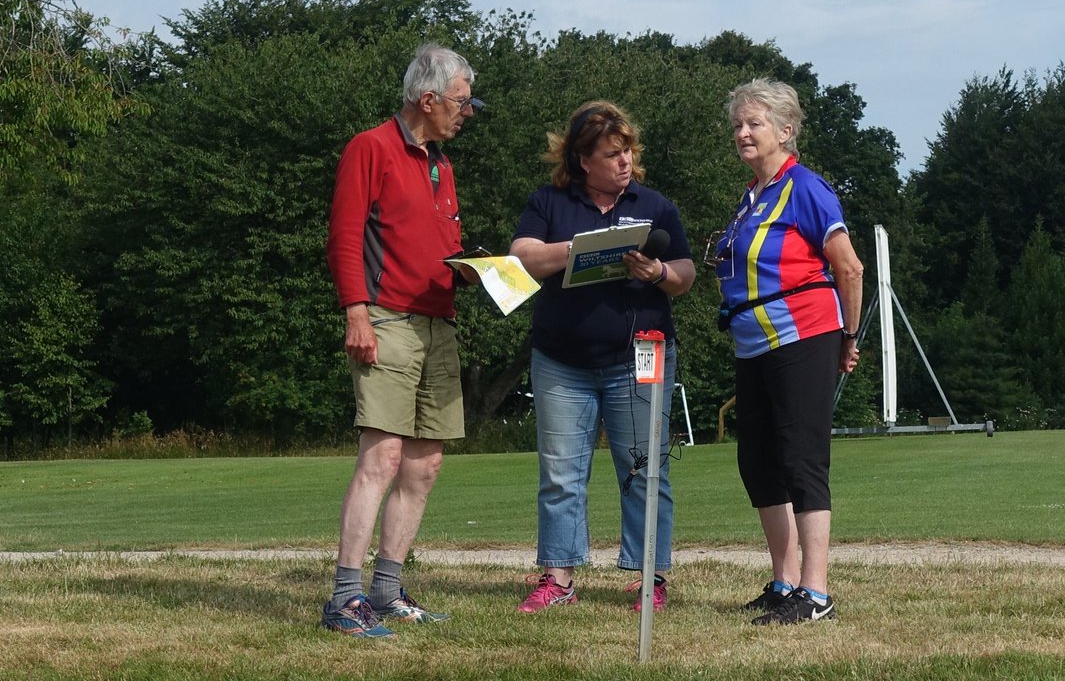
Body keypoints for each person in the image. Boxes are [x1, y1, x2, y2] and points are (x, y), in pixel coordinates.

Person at [508, 101, 696, 613]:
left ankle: (650, 580)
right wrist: (585, 248)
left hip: (642, 355)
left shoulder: (654, 204)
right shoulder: (550, 201)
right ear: (582, 159)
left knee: (644, 468)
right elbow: (522, 256)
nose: (624, 162)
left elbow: (685, 273)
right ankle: (558, 578)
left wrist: (657, 274)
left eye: (628, 151)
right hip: (562, 360)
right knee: (561, 472)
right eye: (612, 154)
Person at [321, 42, 482, 638]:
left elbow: (431, 246)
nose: (467, 113)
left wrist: (474, 270)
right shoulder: (371, 147)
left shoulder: (443, 164)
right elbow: (344, 237)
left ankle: (386, 590)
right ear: (428, 98)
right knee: (382, 455)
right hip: (386, 317)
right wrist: (356, 315)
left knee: (425, 463)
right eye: (463, 102)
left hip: (439, 319)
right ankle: (345, 597)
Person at [710, 78, 863, 626]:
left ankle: (816, 592)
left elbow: (848, 267)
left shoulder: (806, 187)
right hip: (754, 346)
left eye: (754, 123)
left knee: (801, 459)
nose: (743, 133)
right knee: (757, 463)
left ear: (785, 129)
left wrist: (849, 337)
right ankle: (784, 581)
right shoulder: (752, 197)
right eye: (738, 125)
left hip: (803, 336)